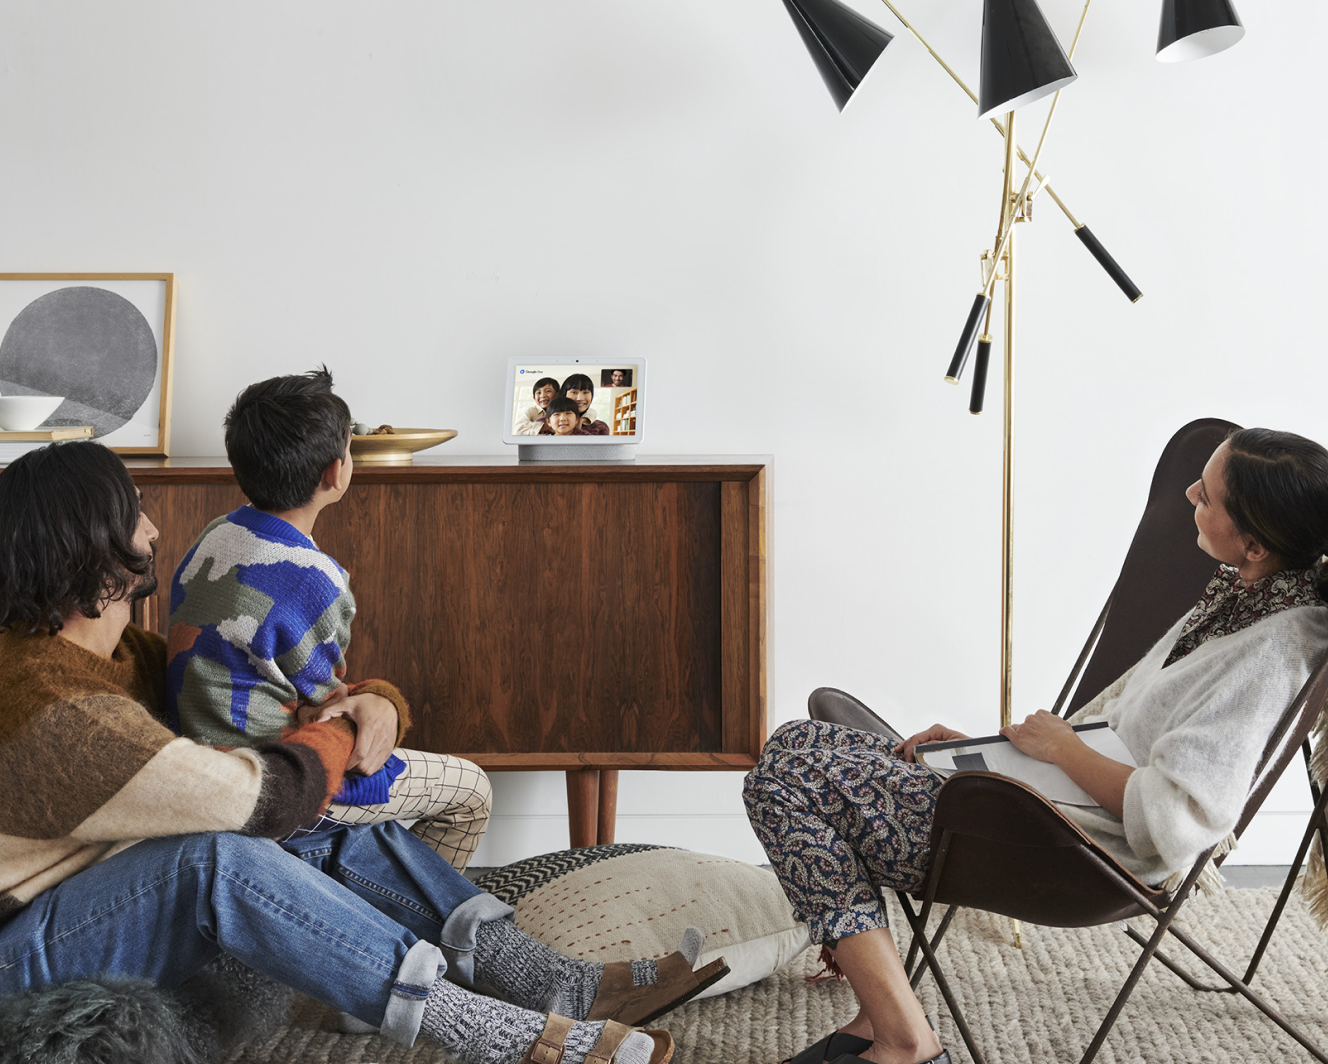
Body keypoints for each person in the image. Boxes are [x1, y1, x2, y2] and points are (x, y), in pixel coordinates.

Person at [0, 441, 728, 1062]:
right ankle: (500, 1033)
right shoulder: (52, 703)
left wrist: (374, 700)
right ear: (93, 547)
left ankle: (555, 982)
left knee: (330, 827)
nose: (156, 529)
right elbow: (269, 796)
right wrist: (345, 732)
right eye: (134, 512)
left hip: (93, 898)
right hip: (21, 952)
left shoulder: (122, 652)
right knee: (218, 857)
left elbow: (268, 698)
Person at [743, 427, 1328, 1064]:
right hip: (1047, 801)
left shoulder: (1269, 653)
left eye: (1207, 494)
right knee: (797, 743)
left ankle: (901, 1038)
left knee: (780, 783)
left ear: (1255, 542)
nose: (1189, 492)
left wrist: (1057, 754)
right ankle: (878, 1011)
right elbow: (1118, 734)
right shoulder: (1245, 598)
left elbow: (1176, 821)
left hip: (1074, 847)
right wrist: (996, 750)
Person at [167, 367, 491, 871]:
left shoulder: (216, 534)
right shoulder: (316, 579)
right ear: (335, 473)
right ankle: (408, 910)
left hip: (198, 753)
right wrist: (375, 702)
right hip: (274, 774)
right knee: (471, 790)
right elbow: (327, 706)